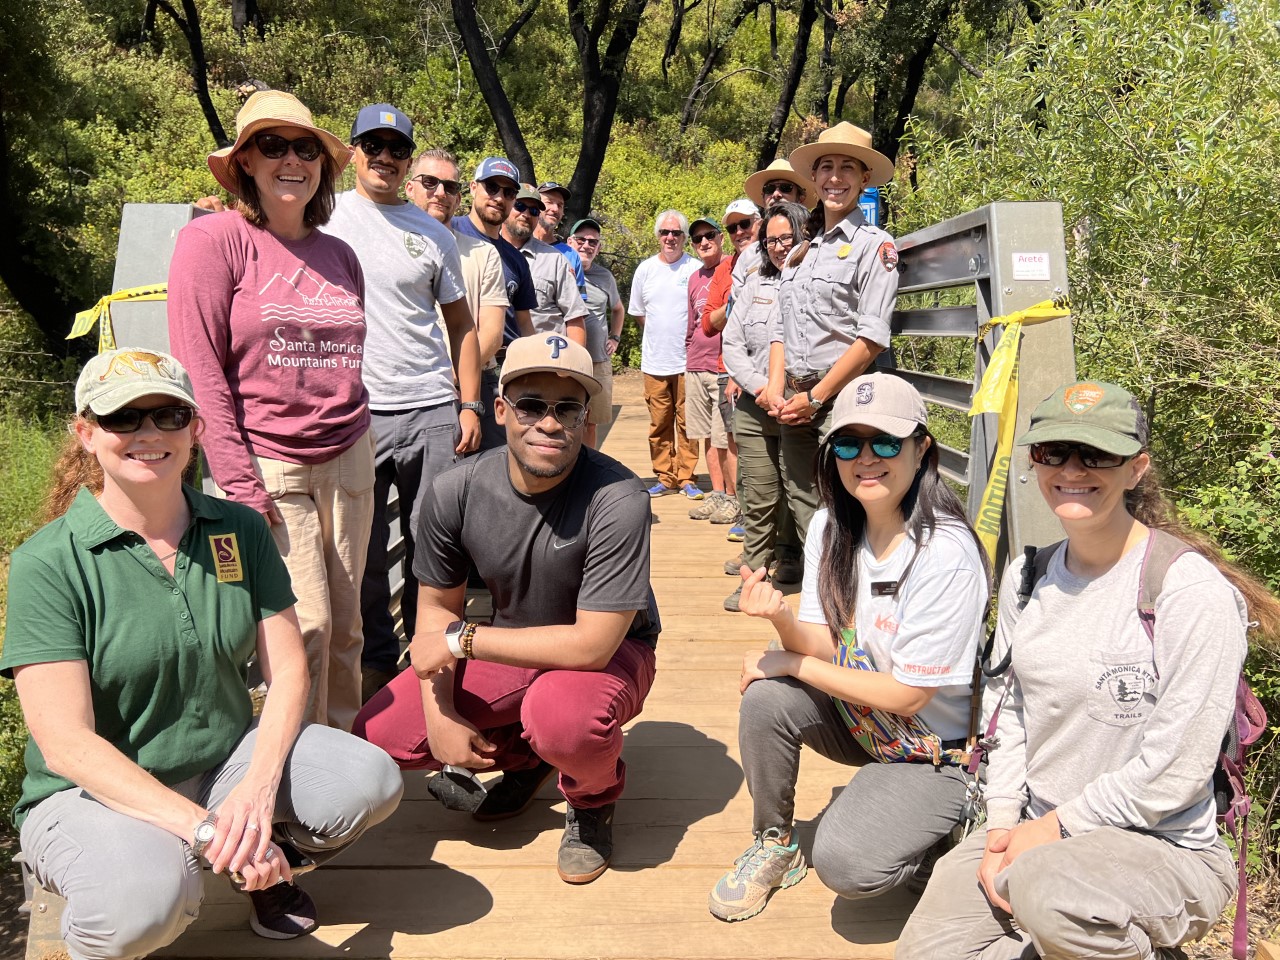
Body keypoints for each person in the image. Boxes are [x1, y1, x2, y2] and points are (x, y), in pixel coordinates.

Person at [1, 349, 403, 957]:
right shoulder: (50, 563)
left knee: (369, 781)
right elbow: (66, 743)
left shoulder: (237, 529)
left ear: (197, 429)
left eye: (168, 415)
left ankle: (262, 865)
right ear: (86, 434)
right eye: (124, 419)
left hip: (222, 764)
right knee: (147, 903)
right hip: (88, 792)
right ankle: (169, 873)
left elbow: (289, 666)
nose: (149, 434)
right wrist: (205, 828)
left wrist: (258, 793)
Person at [897, 380, 1279, 960]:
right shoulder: (1027, 577)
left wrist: (1047, 834)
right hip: (1033, 823)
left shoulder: (1187, 591)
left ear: (1136, 468)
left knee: (1047, 891)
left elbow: (1174, 773)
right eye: (1054, 452)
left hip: (1163, 844)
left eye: (1097, 453)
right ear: (1034, 461)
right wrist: (1003, 825)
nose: (1072, 469)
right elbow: (1012, 714)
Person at [354, 334, 660, 886]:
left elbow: (592, 645)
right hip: (516, 640)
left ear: (585, 417)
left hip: (613, 651)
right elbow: (434, 613)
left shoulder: (618, 497)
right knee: (382, 733)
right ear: (500, 409)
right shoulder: (457, 490)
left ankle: (592, 797)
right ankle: (529, 758)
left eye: (568, 407)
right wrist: (442, 714)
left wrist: (461, 641)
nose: (550, 422)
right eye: (532, 405)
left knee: (564, 718)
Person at [708, 372, 989, 922]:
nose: (866, 457)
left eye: (885, 442)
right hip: (865, 718)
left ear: (922, 449)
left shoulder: (945, 552)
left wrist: (790, 660)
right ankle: (774, 845)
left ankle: (941, 826)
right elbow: (827, 641)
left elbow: (909, 696)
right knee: (766, 698)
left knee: (847, 865)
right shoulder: (831, 527)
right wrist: (781, 619)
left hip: (932, 747)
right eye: (847, 443)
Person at [169, 90, 374, 731]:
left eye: (306, 147)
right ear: (246, 163)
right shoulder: (214, 241)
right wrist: (238, 484)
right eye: (272, 145)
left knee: (345, 626)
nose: (292, 159)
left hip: (349, 457)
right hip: (268, 464)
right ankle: (290, 778)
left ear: (323, 166)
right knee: (300, 624)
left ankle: (338, 768)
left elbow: (349, 359)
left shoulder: (340, 255)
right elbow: (201, 371)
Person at [321, 105, 483, 704]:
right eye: (373, 146)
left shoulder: (436, 234)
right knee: (359, 544)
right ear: (353, 151)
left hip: (431, 407)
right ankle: (375, 661)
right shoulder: (325, 214)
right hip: (355, 410)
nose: (384, 158)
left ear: (407, 160)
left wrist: (470, 405)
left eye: (396, 149)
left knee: (430, 541)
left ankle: (428, 653)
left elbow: (461, 326)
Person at [765, 122, 899, 557]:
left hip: (841, 400)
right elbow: (780, 328)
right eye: (826, 167)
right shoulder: (802, 252)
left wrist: (818, 398)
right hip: (795, 401)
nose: (835, 177)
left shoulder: (874, 246)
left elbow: (872, 339)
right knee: (807, 508)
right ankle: (823, 607)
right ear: (815, 178)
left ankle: (854, 614)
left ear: (864, 179)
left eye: (847, 167)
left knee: (850, 509)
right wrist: (775, 388)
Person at [719, 201, 810, 613]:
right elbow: (732, 344)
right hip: (757, 408)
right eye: (771, 240)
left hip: (801, 406)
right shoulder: (754, 284)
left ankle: (793, 559)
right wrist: (761, 388)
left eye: (786, 238)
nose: (778, 247)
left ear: (803, 236)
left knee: (801, 490)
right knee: (758, 493)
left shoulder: (813, 285)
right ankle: (754, 575)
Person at [405, 148, 509, 449]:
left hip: (475, 383)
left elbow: (492, 331)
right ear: (410, 186)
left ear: (459, 197)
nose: (440, 192)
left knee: (483, 485)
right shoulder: (388, 246)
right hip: (407, 388)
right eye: (430, 182)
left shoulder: (483, 253)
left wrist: (454, 374)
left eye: (450, 187)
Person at [452, 156, 539, 449]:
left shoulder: (515, 260)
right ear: (473, 187)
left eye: (509, 192)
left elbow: (524, 324)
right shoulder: (448, 232)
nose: (499, 197)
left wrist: (537, 370)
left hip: (493, 374)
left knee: (489, 466)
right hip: (435, 373)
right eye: (492, 187)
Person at [628, 209, 702, 498]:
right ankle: (665, 476)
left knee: (687, 422)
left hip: (689, 362)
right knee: (659, 422)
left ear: (684, 238)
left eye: (676, 233)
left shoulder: (694, 268)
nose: (670, 238)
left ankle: (687, 478)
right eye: (665, 232)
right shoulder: (645, 269)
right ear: (658, 236)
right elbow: (639, 313)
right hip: (655, 361)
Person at [684, 216, 736, 523]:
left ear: (720, 238)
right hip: (695, 364)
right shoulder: (694, 278)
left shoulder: (732, 267)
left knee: (724, 436)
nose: (704, 242)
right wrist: (688, 352)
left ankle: (732, 498)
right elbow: (692, 323)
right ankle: (716, 495)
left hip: (722, 367)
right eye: (697, 239)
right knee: (705, 435)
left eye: (709, 235)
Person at [500, 185, 588, 345]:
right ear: (506, 205)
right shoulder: (485, 249)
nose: (526, 214)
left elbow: (575, 316)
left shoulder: (557, 259)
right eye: (519, 206)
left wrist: (574, 367)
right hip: (490, 359)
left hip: (543, 360)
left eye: (534, 211)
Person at [566, 216, 624, 449]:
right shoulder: (561, 269)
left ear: (598, 248)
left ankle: (588, 467)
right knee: (568, 419)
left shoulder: (605, 276)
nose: (587, 245)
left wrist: (615, 338)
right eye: (581, 239)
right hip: (569, 361)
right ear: (570, 241)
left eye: (593, 242)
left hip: (598, 361)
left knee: (592, 422)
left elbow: (618, 309)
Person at [534, 181, 588, 299]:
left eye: (560, 205)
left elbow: (579, 305)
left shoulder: (571, 256)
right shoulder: (518, 245)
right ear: (536, 205)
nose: (555, 209)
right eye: (549, 202)